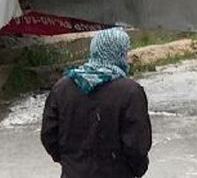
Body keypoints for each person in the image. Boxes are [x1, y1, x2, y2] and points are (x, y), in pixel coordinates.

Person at [41, 28, 152, 178]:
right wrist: (134, 170)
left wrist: (71, 162)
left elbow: (49, 135)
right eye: (125, 53)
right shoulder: (130, 91)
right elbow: (137, 145)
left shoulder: (62, 88)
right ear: (119, 54)